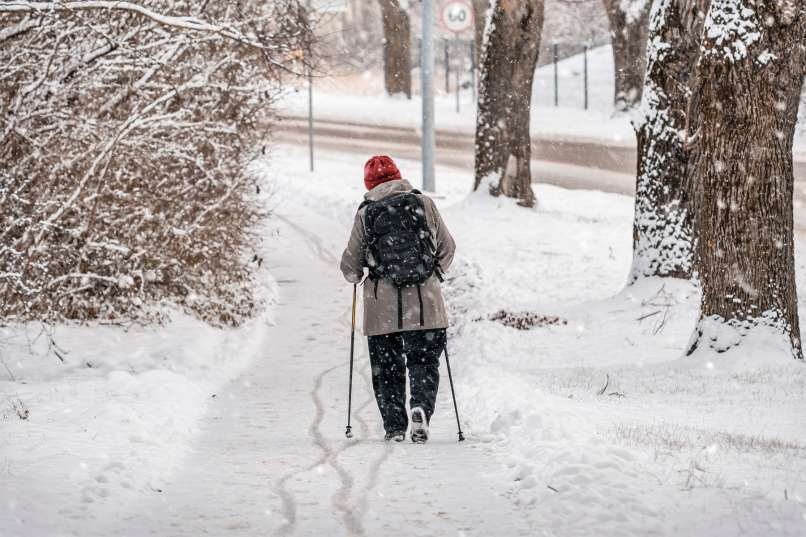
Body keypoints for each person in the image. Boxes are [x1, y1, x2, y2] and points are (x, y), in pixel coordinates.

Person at [340, 155, 456, 444]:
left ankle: (394, 427)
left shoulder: (366, 213)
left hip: (383, 309)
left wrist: (358, 276)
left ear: (368, 184)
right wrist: (433, 273)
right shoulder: (424, 204)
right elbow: (447, 247)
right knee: (423, 361)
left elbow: (350, 266)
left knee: (386, 368)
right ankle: (420, 408)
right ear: (399, 176)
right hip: (425, 302)